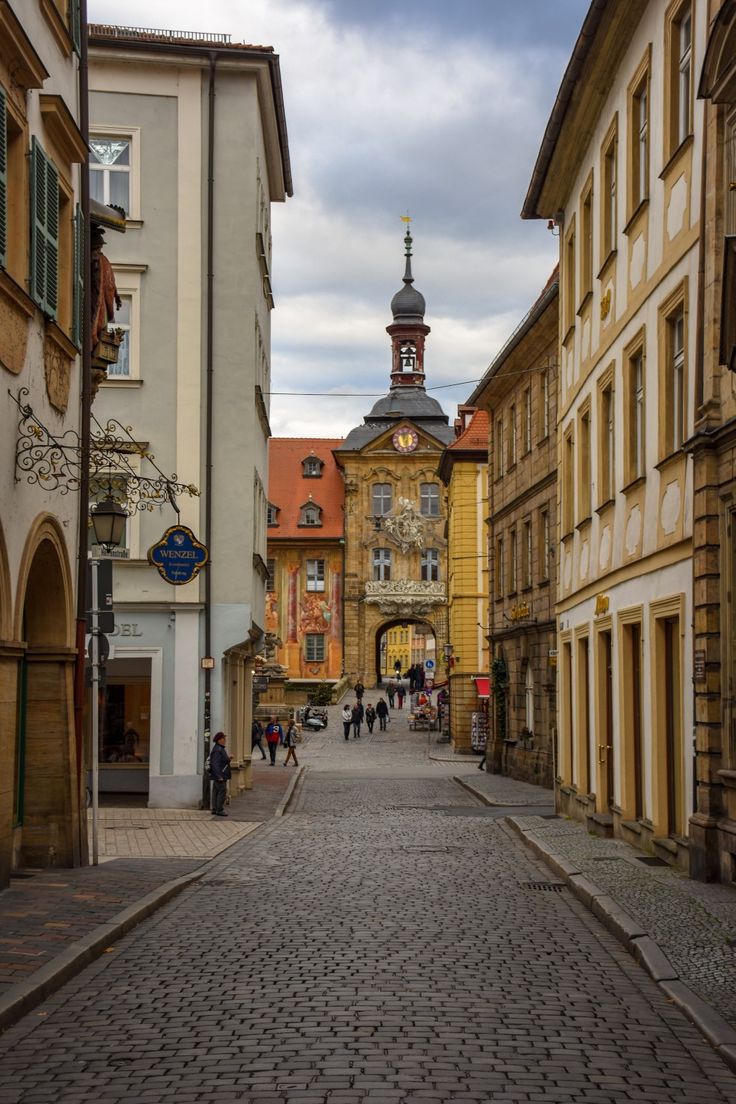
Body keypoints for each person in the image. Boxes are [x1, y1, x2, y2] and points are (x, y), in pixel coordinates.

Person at [209, 731, 232, 816]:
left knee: (216, 792)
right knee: (221, 792)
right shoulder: (218, 749)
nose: (225, 740)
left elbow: (222, 761)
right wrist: (219, 776)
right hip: (220, 775)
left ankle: (215, 809)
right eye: (223, 738)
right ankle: (219, 809)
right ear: (219, 740)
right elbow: (215, 763)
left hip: (220, 774)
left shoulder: (219, 748)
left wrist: (229, 758)